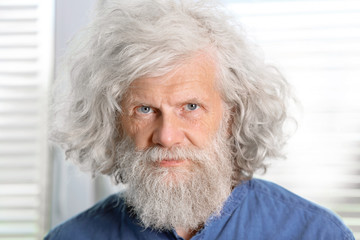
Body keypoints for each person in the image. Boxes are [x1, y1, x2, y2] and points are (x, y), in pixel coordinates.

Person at [45, 0, 355, 239]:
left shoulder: (315, 233)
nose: (166, 136)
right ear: (113, 123)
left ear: (232, 115)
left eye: (190, 106)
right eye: (145, 109)